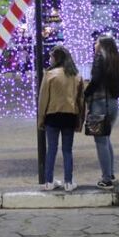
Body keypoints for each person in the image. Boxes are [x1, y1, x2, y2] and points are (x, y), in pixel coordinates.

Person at [37, 45, 85, 192]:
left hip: (52, 116)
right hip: (70, 116)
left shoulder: (50, 75)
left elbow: (43, 99)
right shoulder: (76, 75)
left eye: (52, 56)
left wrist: (40, 119)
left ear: (56, 58)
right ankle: (69, 182)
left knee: (51, 149)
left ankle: (49, 182)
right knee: (67, 150)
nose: (50, 59)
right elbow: (81, 101)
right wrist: (80, 120)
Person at [84, 36, 119, 190]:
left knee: (100, 141)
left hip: (99, 104)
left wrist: (85, 93)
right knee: (107, 139)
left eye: (97, 42)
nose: (95, 44)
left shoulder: (99, 58)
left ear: (102, 46)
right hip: (113, 104)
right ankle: (111, 173)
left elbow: (95, 80)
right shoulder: (116, 60)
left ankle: (106, 179)